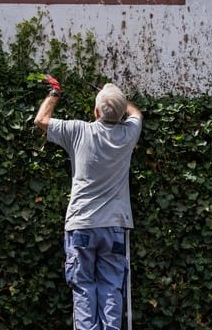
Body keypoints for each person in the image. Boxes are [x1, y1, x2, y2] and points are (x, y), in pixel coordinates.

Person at [33, 75, 143, 330]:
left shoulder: (79, 131)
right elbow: (135, 113)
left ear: (95, 111)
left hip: (81, 224)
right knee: (111, 286)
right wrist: (117, 96)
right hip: (114, 226)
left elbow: (41, 120)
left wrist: (55, 92)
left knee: (83, 287)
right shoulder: (129, 134)